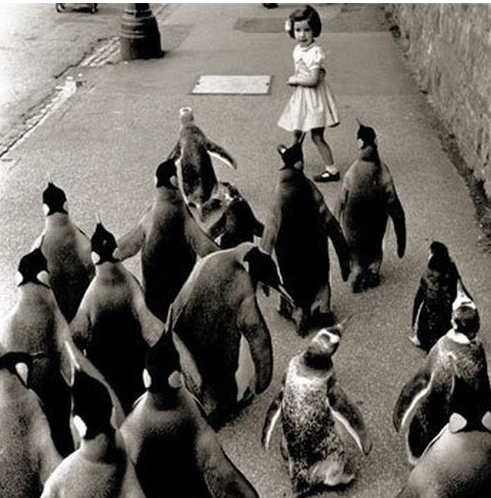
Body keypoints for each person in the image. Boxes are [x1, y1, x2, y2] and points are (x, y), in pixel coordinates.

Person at [278, 5, 340, 183]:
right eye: (298, 30)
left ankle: (332, 170)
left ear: (315, 30)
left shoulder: (314, 52)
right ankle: (293, 160)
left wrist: (295, 80)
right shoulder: (298, 49)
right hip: (303, 96)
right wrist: (298, 80)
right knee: (297, 130)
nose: (302, 35)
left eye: (307, 30)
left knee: (316, 136)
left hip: (314, 98)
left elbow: (313, 80)